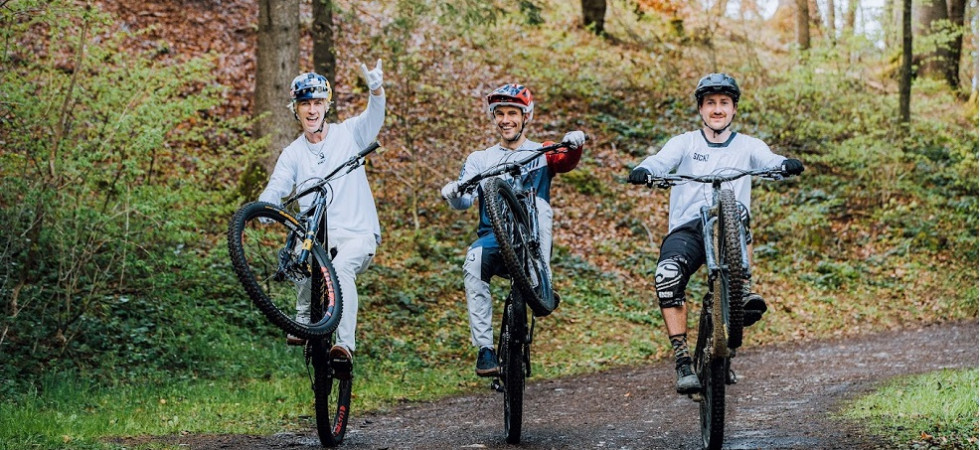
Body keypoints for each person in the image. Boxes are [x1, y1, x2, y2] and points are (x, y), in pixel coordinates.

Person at [626, 73, 804, 394]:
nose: (717, 109)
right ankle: (683, 360)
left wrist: (783, 164)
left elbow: (768, 160)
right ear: (701, 109)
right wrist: (647, 170)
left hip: (730, 227)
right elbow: (661, 160)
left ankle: (742, 290)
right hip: (689, 228)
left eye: (724, 103)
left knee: (738, 216)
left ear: (734, 109)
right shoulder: (685, 142)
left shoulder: (748, 145)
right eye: (710, 103)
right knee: (667, 277)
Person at [440, 83, 586, 377]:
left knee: (541, 206)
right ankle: (485, 350)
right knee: (472, 262)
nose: (505, 120)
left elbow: (565, 160)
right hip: (494, 238)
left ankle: (541, 282)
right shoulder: (480, 159)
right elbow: (464, 200)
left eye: (512, 113)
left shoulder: (542, 152)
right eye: (500, 114)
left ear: (526, 116)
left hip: (532, 237)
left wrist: (575, 143)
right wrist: (453, 192)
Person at [258, 60, 386, 376]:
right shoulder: (292, 153)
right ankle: (304, 316)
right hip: (316, 238)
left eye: (317, 103)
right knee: (298, 254)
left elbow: (374, 117)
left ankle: (344, 346)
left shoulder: (349, 134)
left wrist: (376, 89)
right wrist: (266, 203)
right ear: (296, 109)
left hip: (357, 234)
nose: (312, 110)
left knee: (340, 270)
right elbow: (277, 185)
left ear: (327, 105)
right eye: (305, 104)